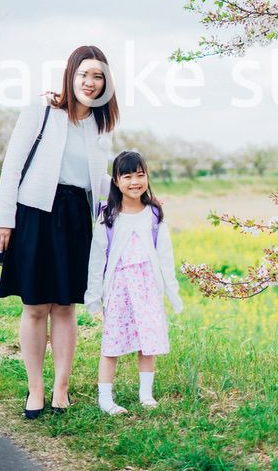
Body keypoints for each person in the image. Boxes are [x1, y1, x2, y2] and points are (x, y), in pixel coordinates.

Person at [0, 44, 118, 419]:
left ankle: (61, 389)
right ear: (71, 74)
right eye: (84, 74)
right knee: (34, 306)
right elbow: (13, 163)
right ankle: (35, 391)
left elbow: (98, 178)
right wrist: (5, 217)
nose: (90, 82)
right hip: (35, 212)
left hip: (77, 218)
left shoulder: (101, 124)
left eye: (98, 76)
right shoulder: (43, 109)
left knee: (64, 307)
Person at [84, 150, 183, 415]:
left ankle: (146, 395)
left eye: (140, 175)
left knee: (147, 342)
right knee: (112, 344)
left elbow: (165, 254)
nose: (134, 182)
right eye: (127, 176)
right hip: (118, 289)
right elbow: (96, 259)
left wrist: (173, 293)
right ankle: (105, 398)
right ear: (116, 181)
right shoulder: (108, 216)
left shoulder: (153, 214)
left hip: (148, 288)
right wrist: (93, 298)